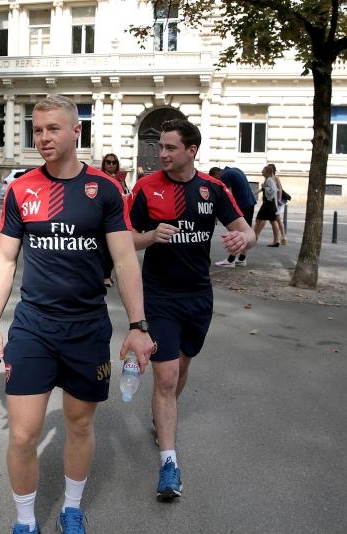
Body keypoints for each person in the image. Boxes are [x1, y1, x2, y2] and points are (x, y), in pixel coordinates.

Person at [0, 95, 156, 534]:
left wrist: (138, 327)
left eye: (53, 129)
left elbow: (124, 260)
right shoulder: (22, 188)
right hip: (33, 327)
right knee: (23, 434)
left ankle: (72, 509)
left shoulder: (105, 189)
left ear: (76, 131)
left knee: (79, 425)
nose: (43, 137)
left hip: (87, 327)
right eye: (37, 129)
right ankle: (25, 521)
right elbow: (5, 260)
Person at [129, 119, 255, 502]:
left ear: (191, 151)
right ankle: (169, 463)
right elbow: (125, 240)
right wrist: (150, 236)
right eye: (160, 147)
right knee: (165, 378)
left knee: (181, 368)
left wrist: (242, 239)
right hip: (160, 295)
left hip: (199, 296)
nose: (161, 154)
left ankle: (164, 413)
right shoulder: (146, 187)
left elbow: (245, 230)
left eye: (169, 148)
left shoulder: (213, 189)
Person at [210, 166, 257, 267]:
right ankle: (242, 258)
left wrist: (219, 212)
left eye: (215, 179)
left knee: (236, 231)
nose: (217, 182)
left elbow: (228, 195)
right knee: (245, 231)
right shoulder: (235, 169)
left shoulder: (225, 176)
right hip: (250, 203)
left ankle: (231, 260)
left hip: (242, 205)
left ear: (216, 174)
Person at [101, 153, 130, 287]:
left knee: (112, 248)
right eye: (108, 162)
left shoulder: (120, 178)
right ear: (104, 163)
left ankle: (107, 275)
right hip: (101, 216)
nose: (111, 164)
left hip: (115, 217)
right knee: (100, 248)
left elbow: (125, 195)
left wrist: (121, 185)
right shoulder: (99, 177)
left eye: (114, 162)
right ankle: (101, 275)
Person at [253, 164, 280, 247]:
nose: (262, 171)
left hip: (268, 204)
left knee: (258, 220)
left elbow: (272, 191)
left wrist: (265, 188)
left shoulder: (269, 180)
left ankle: (254, 237)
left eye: (263, 170)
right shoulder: (269, 179)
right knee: (273, 221)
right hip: (270, 204)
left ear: (267, 172)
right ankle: (276, 240)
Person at [268, 163, 288, 246]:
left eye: (268, 168)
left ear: (272, 170)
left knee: (277, 220)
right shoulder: (269, 178)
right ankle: (282, 237)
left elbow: (280, 188)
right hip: (272, 201)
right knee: (277, 220)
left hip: (276, 202)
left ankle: (281, 238)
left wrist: (279, 199)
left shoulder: (275, 178)